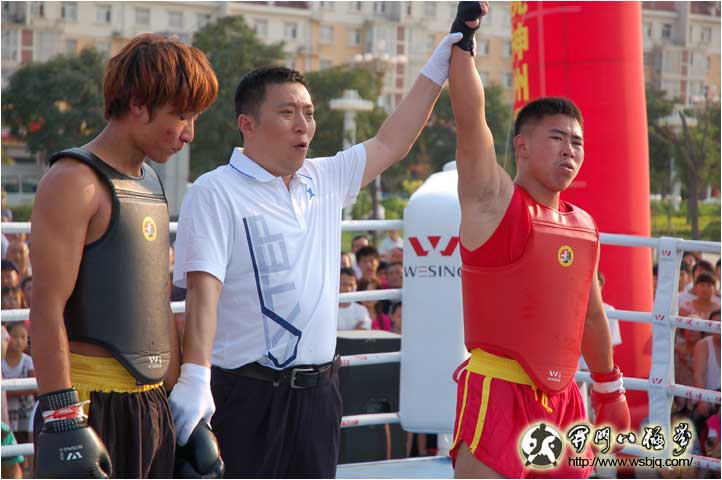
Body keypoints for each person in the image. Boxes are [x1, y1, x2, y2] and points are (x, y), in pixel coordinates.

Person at [172, 30, 464, 478]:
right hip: (246, 395)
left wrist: (440, 64)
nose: (302, 124)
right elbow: (202, 293)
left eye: (308, 113)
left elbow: (393, 141)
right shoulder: (215, 191)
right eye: (287, 112)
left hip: (319, 396)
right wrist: (195, 378)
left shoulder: (325, 178)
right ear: (247, 124)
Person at [447, 3, 630, 477]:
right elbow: (471, 123)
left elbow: (591, 315)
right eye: (557, 138)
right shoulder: (494, 202)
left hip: (565, 400)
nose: (570, 150)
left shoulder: (583, 226)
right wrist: (463, 44)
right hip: (498, 392)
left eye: (577, 142)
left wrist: (609, 387)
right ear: (522, 145)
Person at [29, 34, 218, 478]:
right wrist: (62, 417)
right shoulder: (74, 181)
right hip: (88, 401)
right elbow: (45, 307)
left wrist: (183, 413)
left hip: (151, 403)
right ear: (138, 104)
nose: (189, 133)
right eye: (182, 115)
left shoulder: (150, 183)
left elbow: (154, 306)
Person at [1, 322, 36, 474]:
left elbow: (34, 387)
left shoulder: (28, 361)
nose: (19, 341)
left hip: (24, 409)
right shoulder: (2, 362)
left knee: (23, 438)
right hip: (7, 410)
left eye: (23, 337)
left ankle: (25, 470)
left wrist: (9, 390)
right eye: (14, 337)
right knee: (9, 437)